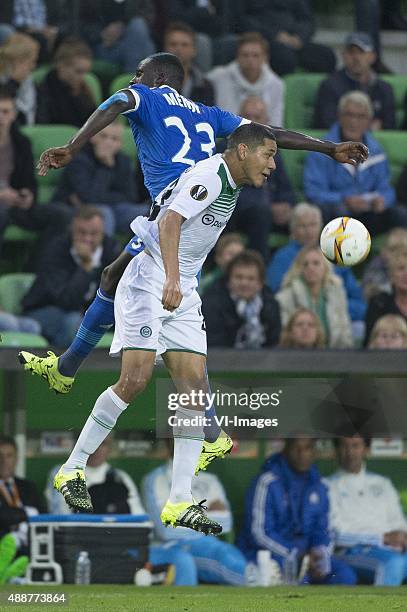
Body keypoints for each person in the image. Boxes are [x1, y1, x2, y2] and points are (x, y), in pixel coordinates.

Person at [18, 51, 368, 395]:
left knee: (167, 323)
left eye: (139, 73)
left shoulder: (146, 96)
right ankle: (66, 369)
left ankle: (205, 427)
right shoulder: (208, 112)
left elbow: (114, 104)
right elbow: (267, 133)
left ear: (157, 78)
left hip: (177, 208)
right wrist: (328, 147)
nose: (133, 80)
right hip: (205, 208)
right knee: (115, 276)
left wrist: (73, 146)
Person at [48, 123, 279, 536]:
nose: (273, 165)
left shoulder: (233, 180)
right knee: (135, 380)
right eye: (269, 155)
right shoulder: (210, 175)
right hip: (151, 278)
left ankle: (178, 500)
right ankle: (72, 468)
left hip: (183, 286)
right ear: (243, 151)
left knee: (194, 389)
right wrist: (171, 277)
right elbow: (170, 222)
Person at [237, 437, 356, 585]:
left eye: (307, 448)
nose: (301, 454)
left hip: (307, 556)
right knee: (297, 578)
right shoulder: (268, 481)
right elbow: (259, 533)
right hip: (272, 554)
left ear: (314, 452)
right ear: (285, 450)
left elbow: (324, 529)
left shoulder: (320, 485)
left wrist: (320, 553)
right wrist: (296, 555)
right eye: (296, 448)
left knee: (343, 575)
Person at [142, 442, 247, 585]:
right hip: (173, 546)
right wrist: (209, 512)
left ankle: (254, 579)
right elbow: (165, 530)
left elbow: (226, 523)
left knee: (227, 553)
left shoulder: (210, 480)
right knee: (224, 561)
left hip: (209, 544)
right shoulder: (156, 479)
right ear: (170, 443)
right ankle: (253, 579)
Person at [304, 91, 407, 235]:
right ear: (339, 117)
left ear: (369, 121)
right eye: (349, 115)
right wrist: (344, 199)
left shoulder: (376, 151)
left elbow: (386, 189)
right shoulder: (322, 149)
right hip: (338, 210)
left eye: (361, 116)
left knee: (400, 214)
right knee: (340, 212)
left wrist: (382, 200)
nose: (354, 121)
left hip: (369, 211)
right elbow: (313, 191)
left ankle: (397, 255)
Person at [22, 207, 121, 347]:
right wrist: (86, 266)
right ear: (72, 231)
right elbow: (67, 301)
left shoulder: (112, 251)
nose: (87, 239)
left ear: (102, 233)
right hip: (44, 309)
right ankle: (63, 367)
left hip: (85, 313)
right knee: (74, 322)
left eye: (94, 234)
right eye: (82, 233)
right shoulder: (56, 250)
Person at [267, 203, 366, 326]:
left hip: (337, 319)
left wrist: (333, 309)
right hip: (298, 321)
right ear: (293, 229)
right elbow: (276, 296)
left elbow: (358, 301)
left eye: (313, 225)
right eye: (302, 226)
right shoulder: (282, 258)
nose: (308, 231)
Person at [327, 436, 407, 586]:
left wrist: (403, 536)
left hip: (392, 548)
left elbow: (398, 520)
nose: (350, 452)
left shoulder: (382, 483)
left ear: (366, 449)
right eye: (344, 446)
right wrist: (382, 538)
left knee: (398, 560)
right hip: (351, 551)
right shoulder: (328, 485)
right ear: (336, 450)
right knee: (394, 563)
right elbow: (336, 535)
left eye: (356, 445)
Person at [0, 85, 71, 254]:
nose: (1, 117)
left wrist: (28, 195)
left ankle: (39, 267)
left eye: (5, 112)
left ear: (13, 115)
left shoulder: (21, 143)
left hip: (14, 206)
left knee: (61, 215)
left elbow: (29, 181)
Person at [226, 96, 296, 259]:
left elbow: (286, 190)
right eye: (247, 116)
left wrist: (286, 205)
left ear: (267, 122)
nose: (252, 121)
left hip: (267, 212)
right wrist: (270, 206)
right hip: (236, 214)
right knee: (261, 212)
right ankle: (255, 268)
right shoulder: (226, 148)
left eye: (257, 117)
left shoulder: (274, 152)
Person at [52, 121, 148, 236]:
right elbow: (89, 199)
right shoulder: (78, 159)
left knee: (144, 213)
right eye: (103, 136)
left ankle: (144, 253)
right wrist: (105, 166)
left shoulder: (123, 160)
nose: (108, 142)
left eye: (114, 139)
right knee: (103, 214)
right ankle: (105, 253)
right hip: (74, 210)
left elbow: (130, 196)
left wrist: (106, 198)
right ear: (92, 137)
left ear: (120, 144)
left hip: (114, 209)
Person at [276, 246, 354, 349]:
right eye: (305, 264)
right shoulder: (284, 298)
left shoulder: (338, 294)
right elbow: (285, 335)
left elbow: (345, 332)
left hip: (334, 355)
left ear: (325, 267)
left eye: (316, 263)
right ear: (298, 268)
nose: (311, 268)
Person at [314, 32, 396, 130]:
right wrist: (367, 128)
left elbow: (390, 126)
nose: (356, 58)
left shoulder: (384, 88)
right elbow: (328, 123)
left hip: (376, 144)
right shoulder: (329, 86)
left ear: (372, 57)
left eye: (361, 52)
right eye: (351, 52)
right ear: (343, 55)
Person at [202, 249, 281, 348]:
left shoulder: (271, 304)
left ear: (260, 283)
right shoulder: (211, 304)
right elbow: (214, 344)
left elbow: (273, 342)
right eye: (239, 277)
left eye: (250, 278)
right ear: (228, 280)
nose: (244, 283)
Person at [237, 0, 336, 76]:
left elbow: (307, 20)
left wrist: (299, 38)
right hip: (264, 40)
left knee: (327, 56)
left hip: (295, 42)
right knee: (284, 56)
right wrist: (275, 35)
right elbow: (243, 20)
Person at [207, 32, 284, 127]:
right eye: (245, 55)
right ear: (237, 57)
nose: (250, 60)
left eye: (255, 55)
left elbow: (275, 123)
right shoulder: (218, 77)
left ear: (265, 58)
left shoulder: (276, 84)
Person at [78, 0, 156, 73]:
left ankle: (134, 80)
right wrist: (102, 34)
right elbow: (79, 23)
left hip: (133, 41)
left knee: (138, 25)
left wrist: (123, 27)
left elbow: (150, 18)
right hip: (103, 46)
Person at [0, 435, 46, 555]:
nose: (4, 461)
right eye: (0, 455)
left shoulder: (28, 487)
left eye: (9, 456)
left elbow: (43, 515)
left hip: (32, 547)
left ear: (16, 459)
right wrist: (26, 513)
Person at [36, 39, 96, 127]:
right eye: (78, 71)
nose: (83, 77)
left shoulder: (84, 90)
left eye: (85, 72)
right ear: (61, 65)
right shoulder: (44, 92)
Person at [164, 21, 214, 106]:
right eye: (173, 44)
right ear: (165, 49)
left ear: (194, 50)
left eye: (184, 45)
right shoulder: (151, 83)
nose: (178, 49)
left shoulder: (205, 86)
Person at [364, 247, 407, 345]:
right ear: (391, 275)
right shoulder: (379, 304)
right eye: (401, 269)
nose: (406, 273)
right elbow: (368, 344)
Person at [0, 32, 39, 125]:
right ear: (13, 61)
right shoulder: (4, 84)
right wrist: (13, 81)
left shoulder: (30, 83)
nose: (33, 66)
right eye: (30, 61)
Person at [361, 228, 407, 300]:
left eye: (402, 250)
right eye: (393, 250)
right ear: (384, 250)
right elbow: (371, 291)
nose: (397, 255)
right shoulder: (377, 266)